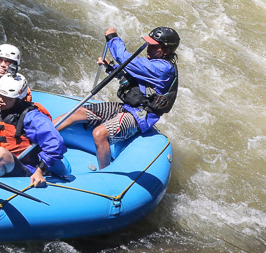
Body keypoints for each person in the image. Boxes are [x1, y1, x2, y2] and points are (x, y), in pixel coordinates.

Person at [56, 27, 179, 170]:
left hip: (139, 116)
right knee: (77, 113)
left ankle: (104, 174)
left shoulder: (163, 69)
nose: (148, 48)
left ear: (166, 50)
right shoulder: (154, 64)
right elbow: (132, 79)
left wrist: (112, 38)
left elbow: (125, 59)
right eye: (148, 44)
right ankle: (38, 138)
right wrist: (111, 68)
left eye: (153, 46)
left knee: (99, 134)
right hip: (128, 108)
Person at [0, 74, 67, 187]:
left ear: (18, 98)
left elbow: (56, 144)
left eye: (7, 98)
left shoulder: (33, 118)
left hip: (26, 168)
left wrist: (39, 171)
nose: (0, 100)